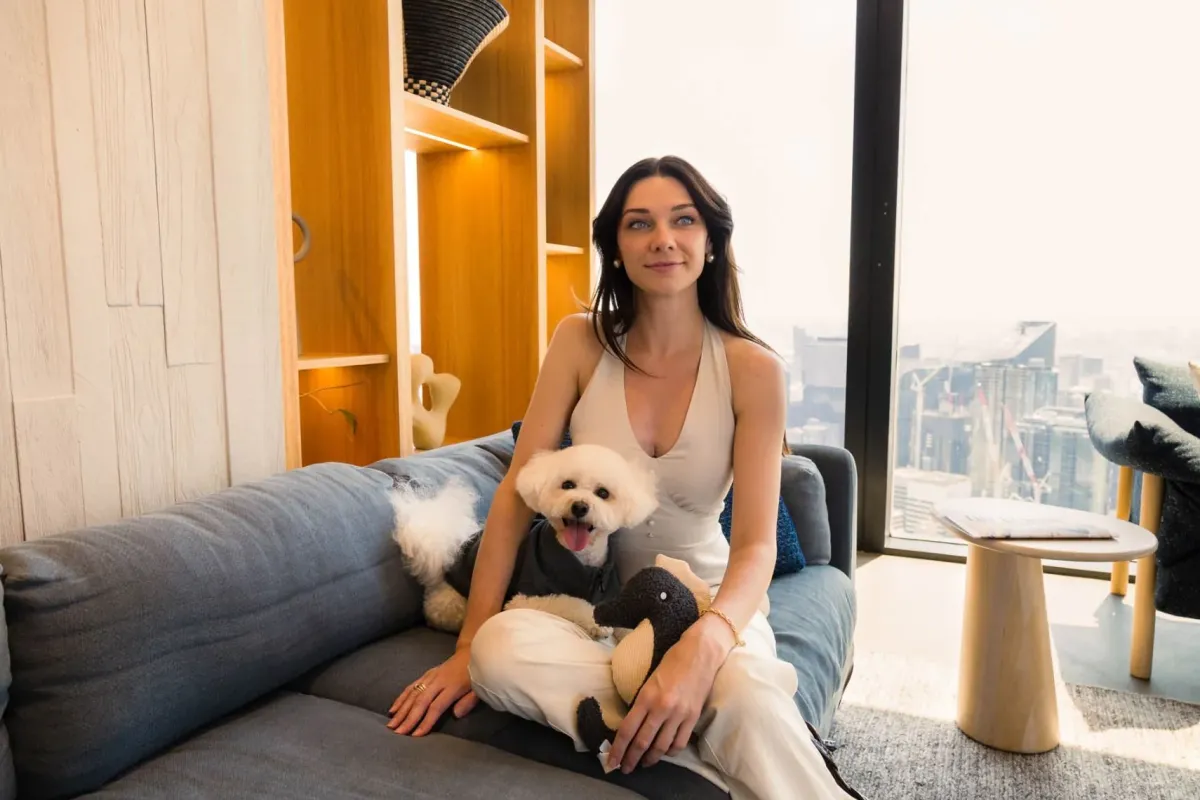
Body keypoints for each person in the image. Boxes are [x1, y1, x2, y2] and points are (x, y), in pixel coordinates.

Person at [387, 156, 859, 800]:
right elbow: (516, 496)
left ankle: (660, 720)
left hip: (708, 604)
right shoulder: (578, 343)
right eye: (639, 224)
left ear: (711, 242)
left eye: (683, 221)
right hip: (594, 613)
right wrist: (466, 645)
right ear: (615, 247)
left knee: (746, 692)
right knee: (498, 651)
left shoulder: (755, 370)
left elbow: (755, 545)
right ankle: (678, 736)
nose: (663, 238)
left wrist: (705, 646)